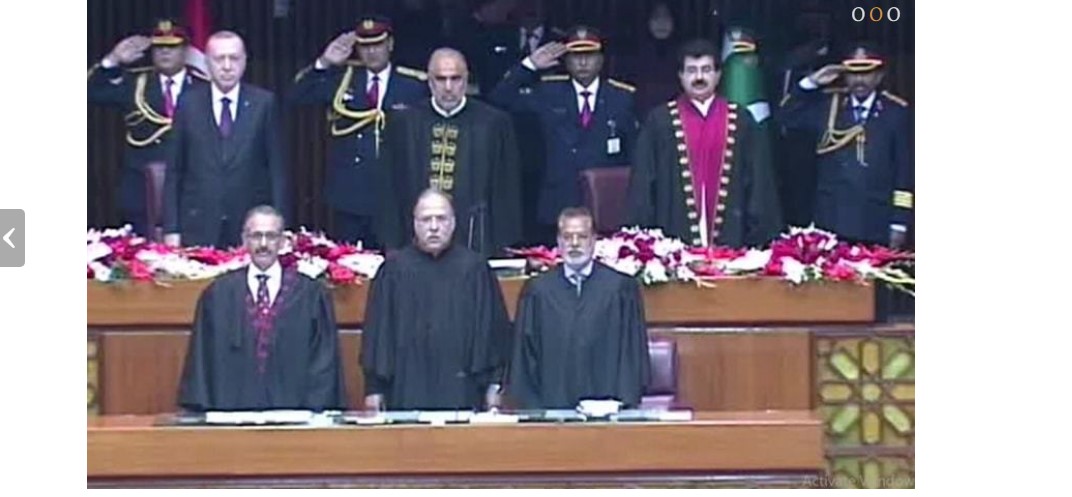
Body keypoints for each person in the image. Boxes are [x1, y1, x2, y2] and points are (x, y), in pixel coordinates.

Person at [177, 205, 347, 412]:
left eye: (271, 236)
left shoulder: (311, 294)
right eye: (256, 236)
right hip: (232, 416)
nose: (263, 244)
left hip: (294, 417)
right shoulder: (218, 294)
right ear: (244, 240)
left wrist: (313, 413)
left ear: (283, 241)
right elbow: (202, 363)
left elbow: (324, 363)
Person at [361, 189, 512, 411]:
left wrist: (494, 385)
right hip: (407, 388)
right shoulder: (393, 270)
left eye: (441, 219)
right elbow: (378, 334)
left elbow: (494, 334)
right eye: (426, 219)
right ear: (414, 224)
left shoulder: (475, 269)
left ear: (453, 223)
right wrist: (374, 388)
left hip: (462, 390)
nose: (434, 227)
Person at [489, 26, 639, 245]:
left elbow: (634, 154)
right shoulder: (548, 92)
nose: (583, 62)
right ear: (566, 61)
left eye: (589, 55)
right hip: (558, 202)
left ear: (601, 59)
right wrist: (529, 66)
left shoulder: (621, 97)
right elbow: (499, 100)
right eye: (576, 56)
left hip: (605, 205)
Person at [626, 39, 782, 248]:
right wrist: (644, 238)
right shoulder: (660, 121)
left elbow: (759, 182)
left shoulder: (741, 120)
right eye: (691, 70)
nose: (699, 77)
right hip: (673, 242)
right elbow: (643, 184)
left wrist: (758, 237)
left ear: (718, 75)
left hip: (733, 242)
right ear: (681, 76)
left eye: (706, 70)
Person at [289, 16, 429, 248]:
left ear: (390, 44)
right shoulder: (343, 79)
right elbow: (297, 97)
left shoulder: (413, 85)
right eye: (365, 46)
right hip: (351, 194)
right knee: (350, 262)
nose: (371, 52)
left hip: (396, 192)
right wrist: (325, 62)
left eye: (377, 44)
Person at [377, 48, 522, 256]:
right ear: (429, 82)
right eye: (440, 79)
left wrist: (502, 245)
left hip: (474, 240)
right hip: (414, 241)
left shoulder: (494, 123)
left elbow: (506, 189)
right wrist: (391, 242)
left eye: (455, 79)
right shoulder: (404, 123)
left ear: (466, 80)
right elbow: (389, 186)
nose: (448, 87)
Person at [507, 207, 650, 409]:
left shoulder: (620, 288)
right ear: (558, 242)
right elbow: (525, 356)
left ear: (593, 240)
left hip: (607, 410)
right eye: (567, 237)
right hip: (553, 408)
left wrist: (622, 404)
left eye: (582, 237)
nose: (574, 243)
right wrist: (535, 410)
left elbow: (632, 353)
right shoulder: (538, 291)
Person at [778, 42, 913, 247]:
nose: (859, 80)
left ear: (879, 76)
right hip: (831, 220)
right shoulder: (828, 106)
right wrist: (812, 82)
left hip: (875, 220)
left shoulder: (896, 113)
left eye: (866, 73)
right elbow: (786, 115)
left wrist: (899, 223)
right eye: (853, 73)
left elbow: (904, 173)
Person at [163, 31, 289, 249]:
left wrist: (281, 226)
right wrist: (172, 229)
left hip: (250, 224)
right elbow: (175, 171)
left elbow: (277, 169)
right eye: (220, 59)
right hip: (198, 222)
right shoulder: (188, 103)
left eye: (234, 58)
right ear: (206, 62)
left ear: (245, 61)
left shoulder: (263, 103)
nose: (227, 66)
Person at [88, 20, 209, 237]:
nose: (164, 52)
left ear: (185, 50)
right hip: (141, 191)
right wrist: (112, 60)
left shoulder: (204, 88)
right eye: (159, 46)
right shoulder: (135, 83)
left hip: (191, 190)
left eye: (172, 46)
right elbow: (91, 93)